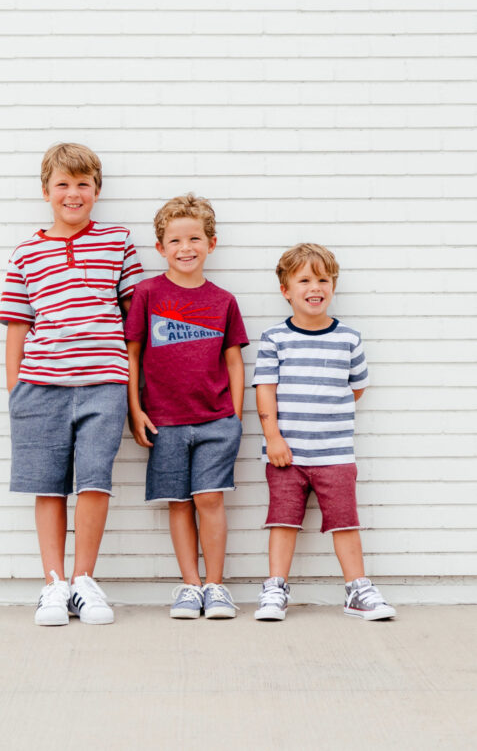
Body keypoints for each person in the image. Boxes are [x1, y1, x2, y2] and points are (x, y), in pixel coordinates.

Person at [0, 143, 143, 626]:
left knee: (95, 480)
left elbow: (134, 322)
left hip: (104, 382)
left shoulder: (118, 241)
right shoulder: (26, 253)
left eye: (83, 184)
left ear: (97, 191)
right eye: (63, 184)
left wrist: (133, 390)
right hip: (41, 388)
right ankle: (54, 584)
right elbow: (17, 327)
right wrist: (16, 390)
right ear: (46, 192)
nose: (73, 193)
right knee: (48, 486)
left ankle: (84, 580)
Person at [252, 243, 396, 621]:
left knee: (345, 522)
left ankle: (357, 590)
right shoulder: (274, 338)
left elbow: (357, 387)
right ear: (285, 290)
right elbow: (264, 390)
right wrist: (273, 439)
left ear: (333, 286)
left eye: (323, 279)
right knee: (283, 521)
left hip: (335, 456)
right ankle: (275, 588)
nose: (315, 287)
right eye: (304, 280)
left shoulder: (348, 338)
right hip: (287, 455)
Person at [125, 194, 249, 619]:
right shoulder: (147, 293)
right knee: (179, 502)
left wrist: (234, 414)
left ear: (211, 243)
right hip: (165, 422)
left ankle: (216, 586)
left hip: (216, 420)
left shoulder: (223, 300)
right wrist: (134, 409)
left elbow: (234, 359)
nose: (186, 248)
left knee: (209, 499)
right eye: (175, 240)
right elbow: (133, 355)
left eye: (195, 238)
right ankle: (190, 585)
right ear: (160, 248)